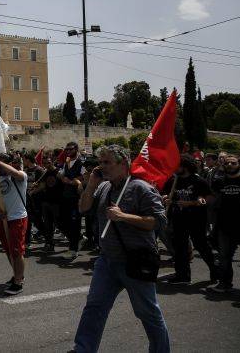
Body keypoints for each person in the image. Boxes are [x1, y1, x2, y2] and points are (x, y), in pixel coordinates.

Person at [73, 145, 170, 353]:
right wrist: (90, 185)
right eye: (101, 162)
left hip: (135, 262)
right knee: (94, 307)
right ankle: (83, 348)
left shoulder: (141, 188)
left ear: (123, 164)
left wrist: (124, 216)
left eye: (107, 162)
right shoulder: (104, 187)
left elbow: (159, 221)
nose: (102, 167)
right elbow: (83, 208)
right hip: (107, 261)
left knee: (148, 313)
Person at [162, 155, 217, 285]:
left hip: (196, 219)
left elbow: (209, 198)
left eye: (177, 165)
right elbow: (166, 194)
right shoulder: (173, 180)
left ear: (185, 166)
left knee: (201, 245)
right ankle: (183, 275)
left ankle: (216, 271)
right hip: (178, 218)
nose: (174, 168)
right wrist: (165, 197)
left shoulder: (198, 181)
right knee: (180, 247)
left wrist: (193, 203)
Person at [207, 154, 240, 292]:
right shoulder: (219, 182)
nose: (230, 165)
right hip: (224, 225)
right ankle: (224, 284)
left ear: (239, 164)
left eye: (233, 163)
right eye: (227, 163)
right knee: (224, 257)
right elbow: (212, 196)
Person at [0, 154, 28, 295]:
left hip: (18, 217)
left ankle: (18, 282)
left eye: (0, 164)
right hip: (4, 219)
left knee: (17, 251)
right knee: (8, 250)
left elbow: (14, 172)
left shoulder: (19, 176)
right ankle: (16, 274)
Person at [58, 141, 85, 260]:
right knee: (63, 221)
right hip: (66, 196)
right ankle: (79, 238)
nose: (68, 151)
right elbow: (61, 175)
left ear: (76, 149)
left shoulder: (81, 162)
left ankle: (73, 249)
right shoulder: (67, 162)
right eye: (66, 149)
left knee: (75, 223)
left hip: (76, 197)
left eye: (70, 149)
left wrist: (72, 181)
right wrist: (63, 177)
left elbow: (85, 177)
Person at [32, 152, 64, 253]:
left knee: (60, 224)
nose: (47, 165)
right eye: (44, 163)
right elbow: (43, 186)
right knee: (48, 225)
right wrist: (33, 189)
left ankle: (76, 239)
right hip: (46, 202)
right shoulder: (45, 173)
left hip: (57, 202)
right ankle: (49, 244)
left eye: (48, 162)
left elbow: (64, 182)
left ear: (52, 162)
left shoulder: (59, 172)